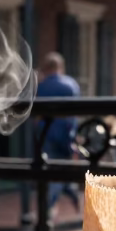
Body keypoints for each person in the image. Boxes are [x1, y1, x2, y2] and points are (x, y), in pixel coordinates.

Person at [36, 52, 81, 218]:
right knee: (63, 168)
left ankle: (48, 207)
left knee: (53, 171)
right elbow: (74, 115)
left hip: (46, 135)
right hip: (65, 134)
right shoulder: (70, 85)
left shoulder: (41, 86)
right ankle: (70, 194)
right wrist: (74, 137)